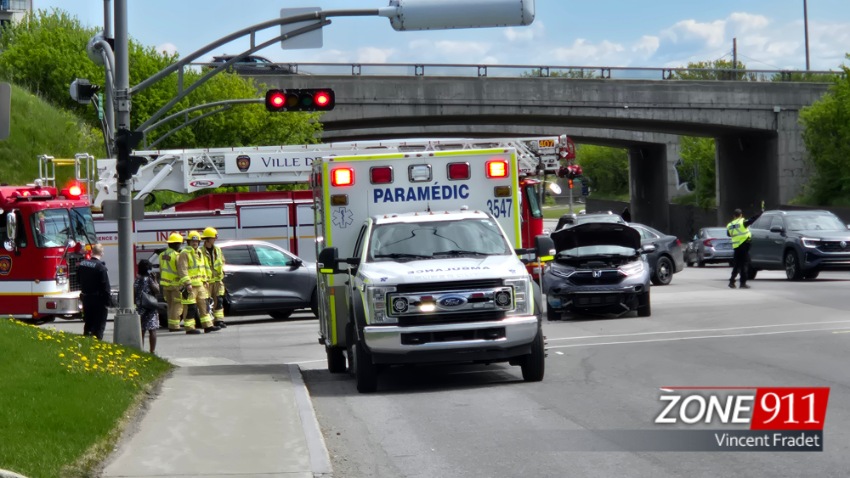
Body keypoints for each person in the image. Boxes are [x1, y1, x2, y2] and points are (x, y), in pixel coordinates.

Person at [178, 231, 219, 334]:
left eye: (196, 241)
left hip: (200, 284)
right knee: (190, 307)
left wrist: (206, 280)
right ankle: (190, 328)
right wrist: (187, 283)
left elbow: (204, 268)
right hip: (190, 286)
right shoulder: (184, 253)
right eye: (192, 241)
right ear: (188, 242)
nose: (194, 243)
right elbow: (183, 269)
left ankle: (208, 326)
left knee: (204, 305)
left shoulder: (200, 252)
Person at [77, 243, 113, 340]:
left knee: (88, 324)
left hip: (86, 298)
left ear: (92, 252)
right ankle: (97, 345)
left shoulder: (82, 264)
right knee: (99, 327)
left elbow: (78, 281)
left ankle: (86, 342)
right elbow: (105, 287)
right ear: (101, 253)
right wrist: (108, 301)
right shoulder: (101, 268)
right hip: (98, 300)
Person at [726, 208, 762, 289]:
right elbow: (752, 219)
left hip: (736, 247)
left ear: (733, 216)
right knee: (745, 264)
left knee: (736, 265)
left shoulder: (729, 225)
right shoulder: (742, 222)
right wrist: (760, 213)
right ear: (741, 215)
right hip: (744, 245)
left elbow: (728, 234)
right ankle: (743, 283)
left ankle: (732, 281)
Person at [201, 226, 227, 328]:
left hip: (218, 280)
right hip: (207, 281)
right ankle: (209, 322)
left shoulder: (218, 250)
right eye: (213, 237)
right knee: (207, 303)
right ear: (207, 239)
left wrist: (221, 272)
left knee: (219, 300)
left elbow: (222, 261)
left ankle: (219, 320)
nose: (215, 239)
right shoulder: (201, 251)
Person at [160, 232, 185, 332]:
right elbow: (180, 270)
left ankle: (171, 324)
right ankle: (175, 326)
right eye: (180, 244)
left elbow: (162, 269)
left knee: (170, 306)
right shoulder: (177, 255)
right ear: (176, 244)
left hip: (165, 284)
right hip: (175, 285)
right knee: (178, 305)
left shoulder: (162, 254)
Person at [134, 259, 160, 354]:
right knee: (152, 329)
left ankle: (141, 350)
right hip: (150, 306)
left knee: (142, 330)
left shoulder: (137, 279)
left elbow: (134, 292)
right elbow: (157, 290)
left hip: (140, 306)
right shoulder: (149, 279)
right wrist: (155, 280)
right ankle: (152, 351)